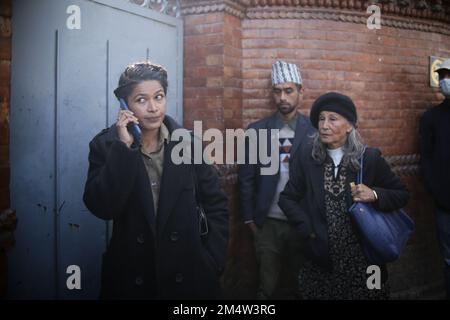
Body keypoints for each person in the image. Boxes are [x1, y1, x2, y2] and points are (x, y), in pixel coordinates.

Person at [83, 61, 229, 299]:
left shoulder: (188, 143)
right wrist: (124, 149)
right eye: (141, 100)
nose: (153, 108)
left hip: (189, 275)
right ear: (124, 105)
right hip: (132, 278)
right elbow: (102, 207)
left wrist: (212, 259)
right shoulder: (106, 146)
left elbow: (216, 204)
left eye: (158, 97)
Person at [279, 92, 410, 299]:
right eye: (321, 119)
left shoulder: (369, 158)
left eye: (332, 119)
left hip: (366, 259)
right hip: (321, 258)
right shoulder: (308, 158)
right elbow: (287, 198)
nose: (324, 125)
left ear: (349, 126)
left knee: (371, 295)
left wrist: (374, 194)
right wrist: (308, 229)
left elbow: (401, 194)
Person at [238, 60, 315, 299]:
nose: (282, 97)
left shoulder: (314, 131)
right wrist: (250, 218)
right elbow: (246, 177)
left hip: (302, 222)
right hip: (267, 223)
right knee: (266, 287)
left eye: (289, 90)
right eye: (277, 91)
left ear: (301, 92)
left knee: (301, 285)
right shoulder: (257, 130)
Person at [419, 58, 450, 299]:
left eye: (448, 75)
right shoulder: (431, 118)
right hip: (445, 203)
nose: (445, 81)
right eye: (442, 77)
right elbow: (426, 159)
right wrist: (437, 192)